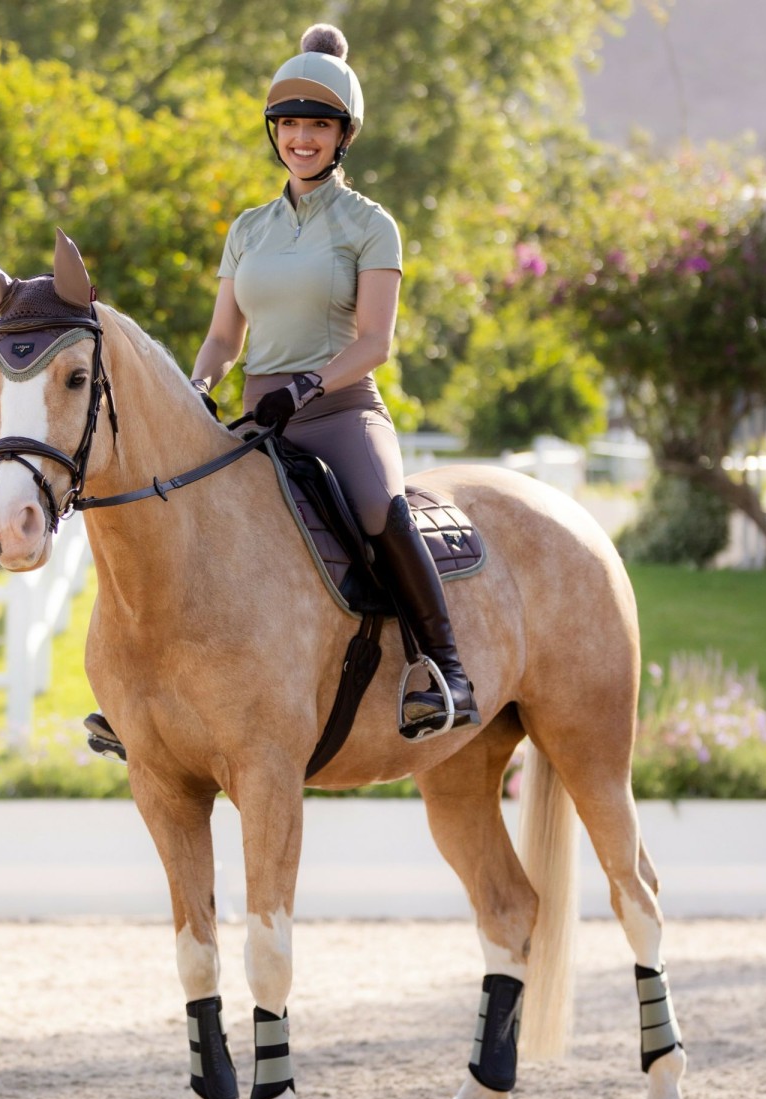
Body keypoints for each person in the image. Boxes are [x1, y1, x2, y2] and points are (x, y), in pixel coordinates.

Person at [85, 23, 479, 762]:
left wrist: (305, 386)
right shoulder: (249, 229)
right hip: (262, 415)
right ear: (276, 133)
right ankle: (134, 692)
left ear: (343, 135)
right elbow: (223, 339)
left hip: (338, 408)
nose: (303, 138)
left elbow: (376, 341)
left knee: (379, 507)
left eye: (318, 125)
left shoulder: (371, 227)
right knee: (166, 514)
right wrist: (195, 389)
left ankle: (444, 669)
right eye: (290, 124)